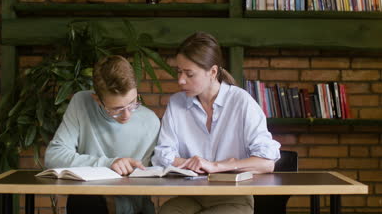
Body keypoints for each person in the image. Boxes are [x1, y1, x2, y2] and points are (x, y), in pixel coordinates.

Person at [152, 32, 281, 214]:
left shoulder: (241, 102)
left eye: (189, 74)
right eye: (179, 72)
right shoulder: (176, 103)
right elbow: (161, 156)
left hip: (234, 196)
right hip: (190, 195)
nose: (181, 80)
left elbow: (267, 163)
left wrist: (216, 166)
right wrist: (193, 163)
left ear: (212, 72)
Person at [45, 55, 160, 214]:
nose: (127, 115)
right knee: (85, 198)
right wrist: (109, 164)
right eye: (116, 109)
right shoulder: (82, 102)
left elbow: (143, 186)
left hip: (133, 205)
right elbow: (53, 156)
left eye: (133, 103)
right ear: (97, 99)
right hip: (89, 201)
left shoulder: (150, 121)